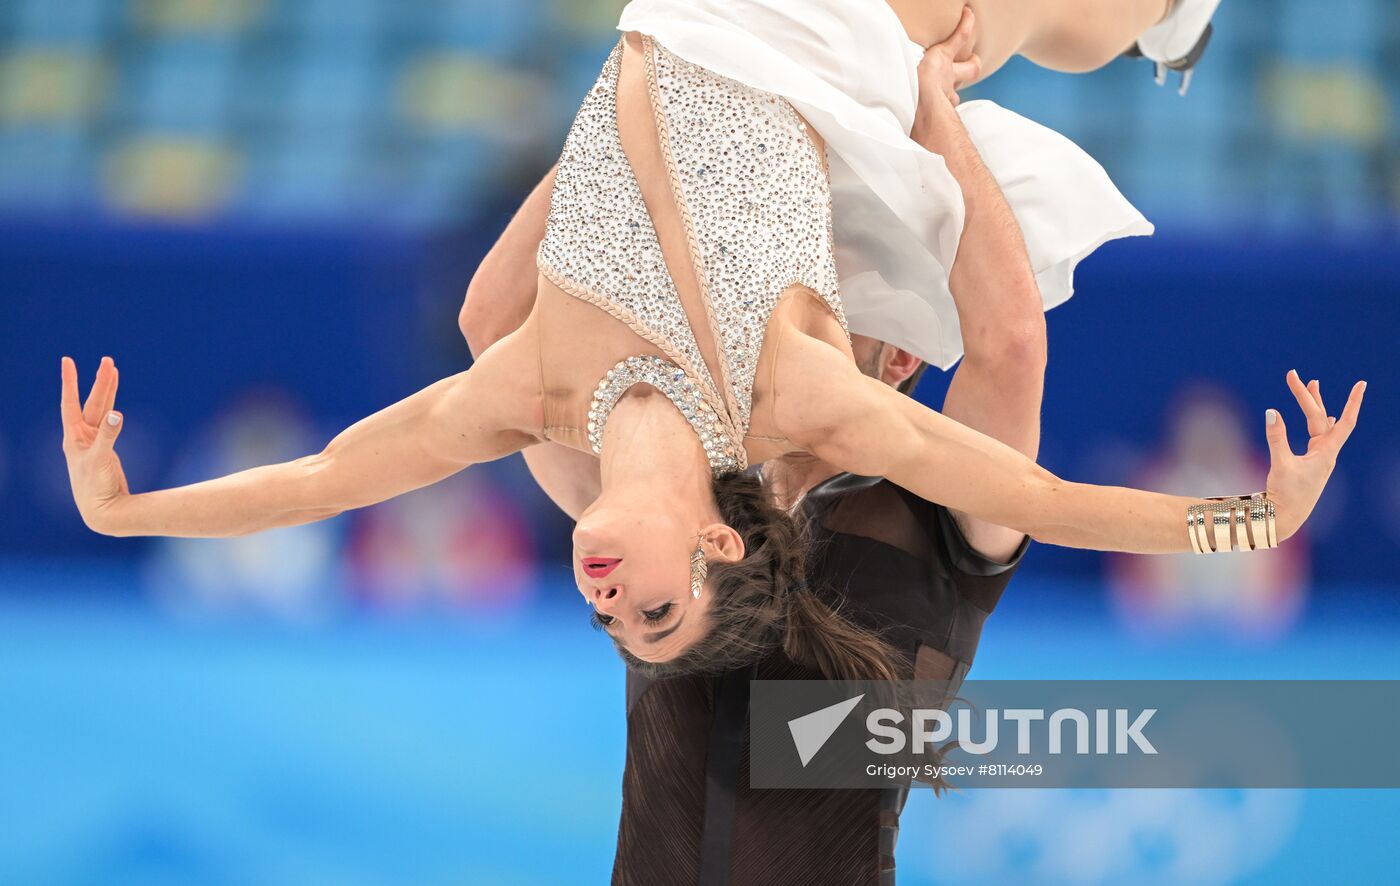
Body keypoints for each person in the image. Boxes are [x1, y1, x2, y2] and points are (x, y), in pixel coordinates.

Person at [60, 2, 1365, 689]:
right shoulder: (798, 399)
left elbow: (319, 478)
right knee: (1062, 11)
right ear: (719, 543)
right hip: (836, 36)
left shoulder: (534, 390)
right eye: (657, 609)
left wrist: (124, 514)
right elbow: (1036, 495)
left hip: (679, 9)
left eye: (608, 621)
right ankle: (1170, 22)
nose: (609, 598)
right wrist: (1251, 522)